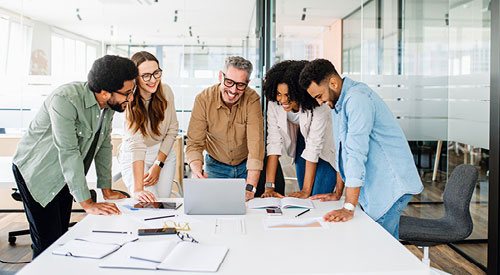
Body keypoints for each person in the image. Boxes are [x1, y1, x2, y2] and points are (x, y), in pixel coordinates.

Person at [12, 55, 138, 257]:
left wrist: (106, 189)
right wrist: (87, 204)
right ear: (105, 93)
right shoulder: (65, 99)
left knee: (61, 239)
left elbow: (103, 144)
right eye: (127, 93)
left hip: (65, 175)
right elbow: (68, 150)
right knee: (47, 245)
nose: (130, 98)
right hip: (37, 173)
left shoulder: (109, 106)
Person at [299, 59, 423, 239]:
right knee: (374, 247)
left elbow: (356, 153)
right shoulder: (338, 104)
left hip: (390, 185)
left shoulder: (357, 99)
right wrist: (338, 193)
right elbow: (343, 152)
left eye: (319, 96)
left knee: (376, 247)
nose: (320, 102)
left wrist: (348, 207)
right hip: (375, 186)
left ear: (333, 83)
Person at [186, 56, 264, 201]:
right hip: (215, 166)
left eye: (240, 85)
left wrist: (250, 187)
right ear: (220, 76)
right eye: (229, 82)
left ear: (248, 83)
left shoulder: (252, 99)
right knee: (214, 208)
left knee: (247, 212)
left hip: (245, 166)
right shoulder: (203, 100)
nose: (233, 90)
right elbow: (194, 144)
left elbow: (256, 146)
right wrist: (197, 171)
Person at [262, 60, 344, 199]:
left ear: (299, 92)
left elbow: (314, 144)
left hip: (325, 145)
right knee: (304, 196)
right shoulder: (274, 103)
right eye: (278, 94)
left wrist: (306, 190)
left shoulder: (318, 104)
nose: (282, 100)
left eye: (288, 95)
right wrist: (269, 187)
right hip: (301, 141)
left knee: (316, 195)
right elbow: (273, 142)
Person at [119, 51, 178, 203]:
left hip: (162, 153)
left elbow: (172, 130)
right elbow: (137, 146)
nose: (153, 80)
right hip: (136, 156)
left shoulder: (166, 91)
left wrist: (158, 164)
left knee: (163, 203)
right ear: (135, 78)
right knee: (149, 203)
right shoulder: (129, 100)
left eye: (156, 73)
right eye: (146, 75)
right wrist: (138, 190)